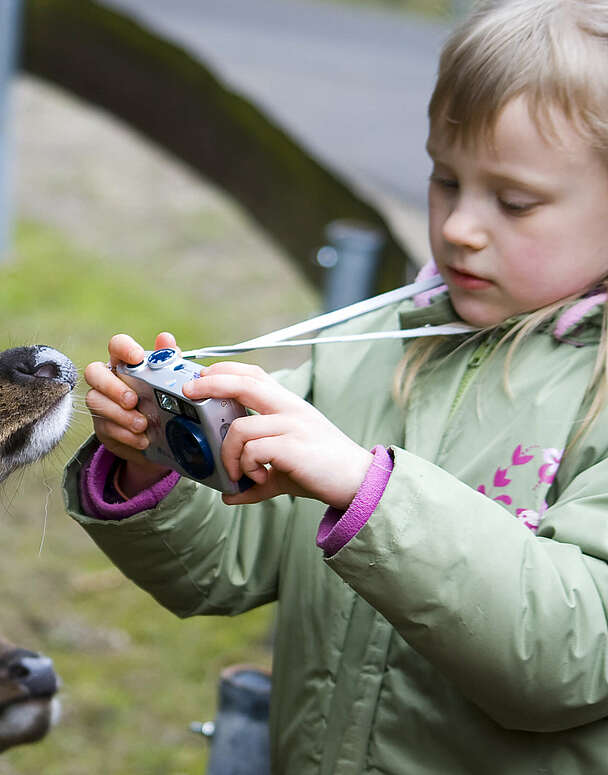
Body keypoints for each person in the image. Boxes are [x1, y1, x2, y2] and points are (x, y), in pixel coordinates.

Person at [64, 0, 608, 771]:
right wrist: (162, 461)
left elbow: (569, 658)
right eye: (445, 181)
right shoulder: (371, 349)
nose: (458, 226)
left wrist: (367, 491)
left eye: (514, 201)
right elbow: (225, 567)